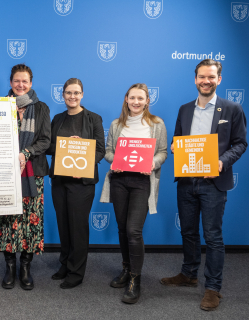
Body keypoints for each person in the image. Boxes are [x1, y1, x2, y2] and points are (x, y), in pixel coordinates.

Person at [160, 59, 247, 311]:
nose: (205, 81)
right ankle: (188, 274)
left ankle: (213, 288)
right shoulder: (185, 109)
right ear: (195, 79)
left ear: (219, 79)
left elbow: (241, 143)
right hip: (187, 181)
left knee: (213, 236)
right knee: (188, 231)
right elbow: (178, 139)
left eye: (211, 77)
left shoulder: (232, 109)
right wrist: (176, 146)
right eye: (201, 77)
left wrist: (222, 161)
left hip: (214, 183)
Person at [100, 83, 167, 303]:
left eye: (141, 98)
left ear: (148, 100)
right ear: (126, 100)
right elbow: (109, 152)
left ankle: (135, 279)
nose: (136, 102)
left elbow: (163, 153)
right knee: (121, 228)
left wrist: (152, 163)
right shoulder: (117, 124)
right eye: (132, 98)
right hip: (119, 181)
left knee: (133, 230)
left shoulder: (157, 124)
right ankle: (127, 269)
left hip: (142, 182)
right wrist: (114, 161)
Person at [0, 64, 50, 290]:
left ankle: (25, 267)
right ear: (10, 82)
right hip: (3, 173)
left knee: (29, 222)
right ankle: (9, 268)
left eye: (25, 81)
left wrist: (25, 153)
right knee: (6, 219)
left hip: (31, 172)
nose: (20, 85)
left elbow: (45, 140)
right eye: (17, 81)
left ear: (31, 83)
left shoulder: (41, 108)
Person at [47, 78, 105, 289]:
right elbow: (49, 146)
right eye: (68, 93)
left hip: (83, 182)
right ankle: (65, 264)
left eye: (76, 93)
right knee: (64, 225)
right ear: (62, 95)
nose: (72, 96)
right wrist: (66, 145)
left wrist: (82, 150)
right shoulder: (57, 119)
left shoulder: (94, 119)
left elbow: (101, 150)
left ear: (82, 95)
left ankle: (76, 271)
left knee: (78, 227)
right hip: (60, 181)